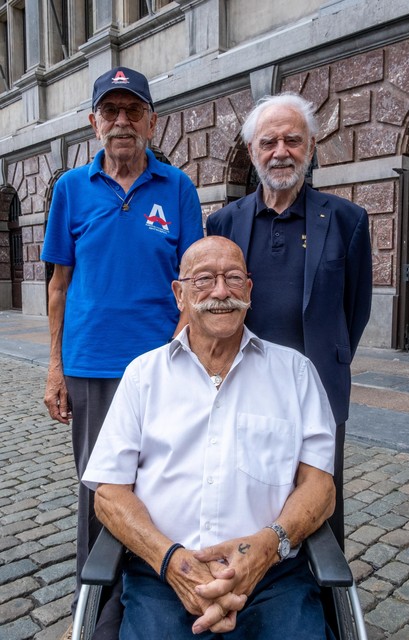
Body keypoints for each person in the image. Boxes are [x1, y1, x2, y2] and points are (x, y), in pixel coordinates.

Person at [82, 235, 337, 639]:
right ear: (179, 294)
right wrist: (173, 562)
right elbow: (109, 494)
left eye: (233, 278)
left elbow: (320, 487)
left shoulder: (296, 373)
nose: (221, 291)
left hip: (271, 574)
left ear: (249, 291)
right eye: (203, 279)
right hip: (163, 575)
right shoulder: (143, 376)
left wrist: (266, 546)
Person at [41, 66, 203, 637]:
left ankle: (155, 589)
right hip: (92, 367)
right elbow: (58, 285)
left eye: (132, 110)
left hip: (163, 369)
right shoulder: (70, 189)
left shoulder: (178, 188)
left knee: (160, 485)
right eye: (110, 111)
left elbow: (192, 282)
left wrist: (183, 354)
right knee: (98, 491)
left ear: (151, 120)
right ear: (93, 123)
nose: (121, 122)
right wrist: (55, 369)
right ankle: (97, 608)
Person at [206, 93, 372, 549]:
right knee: (249, 491)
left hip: (319, 385)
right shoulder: (224, 223)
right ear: (253, 152)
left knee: (319, 495)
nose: (281, 151)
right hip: (244, 384)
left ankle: (325, 600)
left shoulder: (347, 220)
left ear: (312, 146)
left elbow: (355, 308)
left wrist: (329, 354)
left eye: (292, 140)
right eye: (269, 142)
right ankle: (254, 573)